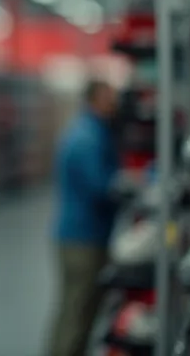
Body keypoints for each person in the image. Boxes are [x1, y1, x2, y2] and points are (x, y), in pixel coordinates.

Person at [48, 79, 121, 356]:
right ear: (93, 100)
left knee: (74, 310)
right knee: (78, 313)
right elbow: (101, 187)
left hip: (81, 235)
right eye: (108, 98)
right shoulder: (88, 138)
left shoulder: (89, 131)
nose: (114, 104)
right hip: (83, 239)